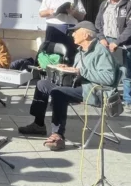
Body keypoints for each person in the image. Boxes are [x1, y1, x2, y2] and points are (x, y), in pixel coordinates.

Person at [19, 22, 119, 151]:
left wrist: (80, 71)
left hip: (93, 90)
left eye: (76, 31)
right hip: (78, 85)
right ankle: (38, 125)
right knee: (42, 84)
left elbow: (109, 78)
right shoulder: (80, 52)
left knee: (58, 93)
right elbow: (79, 71)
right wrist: (68, 69)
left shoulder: (100, 52)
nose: (72, 34)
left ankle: (58, 135)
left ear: (87, 34)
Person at [94, 0, 131, 113]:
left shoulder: (129, 5)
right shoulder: (104, 4)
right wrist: (101, 38)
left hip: (123, 44)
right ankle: (111, 99)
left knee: (126, 73)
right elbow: (98, 23)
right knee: (108, 72)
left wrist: (117, 42)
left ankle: (129, 101)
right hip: (106, 41)